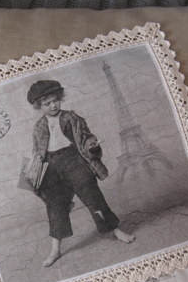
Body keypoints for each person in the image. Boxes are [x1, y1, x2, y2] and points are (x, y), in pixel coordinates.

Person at [26, 79, 135, 267]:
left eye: (55, 100)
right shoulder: (38, 127)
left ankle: (116, 230)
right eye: (47, 103)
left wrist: (91, 144)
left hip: (73, 160)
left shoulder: (72, 118)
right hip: (51, 166)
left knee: (93, 196)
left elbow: (86, 137)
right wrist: (33, 169)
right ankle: (55, 249)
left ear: (60, 98)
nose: (53, 105)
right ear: (38, 106)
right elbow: (37, 151)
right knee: (55, 206)